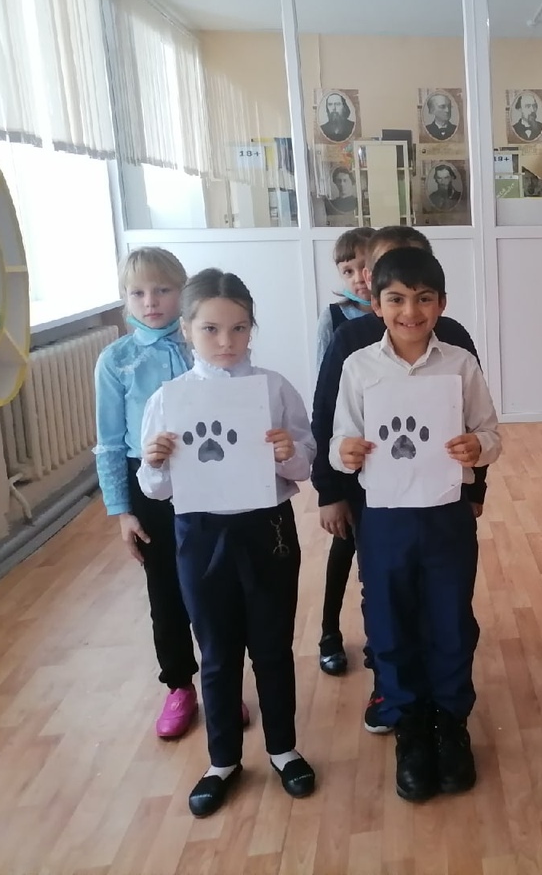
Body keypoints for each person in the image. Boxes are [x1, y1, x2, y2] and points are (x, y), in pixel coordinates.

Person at [139, 269, 317, 818]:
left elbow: (305, 465)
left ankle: (283, 749)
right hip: (200, 534)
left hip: (268, 530)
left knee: (272, 645)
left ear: (251, 328)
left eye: (239, 328)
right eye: (211, 329)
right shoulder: (169, 399)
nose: (226, 342)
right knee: (216, 652)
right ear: (187, 330)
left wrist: (288, 451)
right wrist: (155, 462)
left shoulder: (273, 388)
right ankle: (222, 760)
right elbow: (156, 489)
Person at [330, 247, 501, 803]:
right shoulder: (359, 367)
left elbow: (491, 433)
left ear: (442, 304)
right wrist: (345, 453)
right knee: (389, 621)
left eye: (424, 299)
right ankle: (409, 725)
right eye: (397, 299)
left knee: (451, 618)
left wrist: (478, 447)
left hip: (447, 514)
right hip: (383, 518)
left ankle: (449, 722)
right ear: (376, 304)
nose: (411, 311)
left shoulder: (460, 364)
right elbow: (338, 441)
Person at [94, 247, 200, 739]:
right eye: (137, 293)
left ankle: (221, 680)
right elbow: (110, 442)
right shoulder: (116, 361)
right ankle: (179, 684)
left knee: (212, 585)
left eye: (162, 290)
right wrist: (122, 511)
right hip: (149, 482)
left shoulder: (204, 342)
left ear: (182, 292)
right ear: (125, 299)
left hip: (207, 473)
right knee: (165, 587)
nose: (150, 302)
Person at [314, 227, 377, 676]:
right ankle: (328, 633)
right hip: (347, 451)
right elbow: (325, 399)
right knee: (344, 545)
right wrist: (329, 488)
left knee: (380, 552)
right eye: (348, 270)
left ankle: (382, 635)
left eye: (365, 267)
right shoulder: (334, 319)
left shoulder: (404, 314)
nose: (358, 278)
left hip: (392, 448)